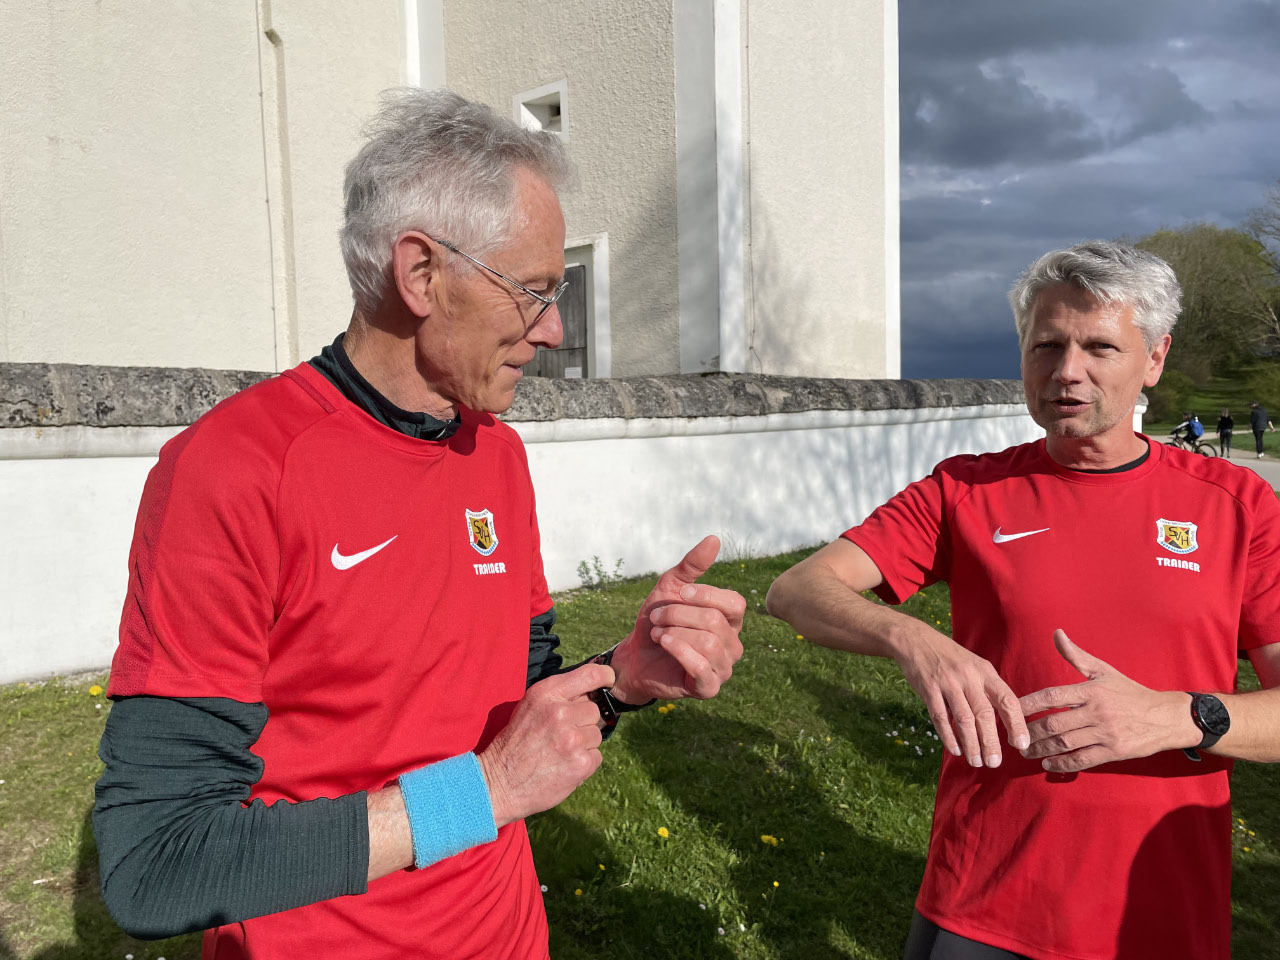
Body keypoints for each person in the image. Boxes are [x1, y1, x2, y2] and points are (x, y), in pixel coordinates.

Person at [92, 89, 746, 960]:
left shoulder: (496, 453)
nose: (555, 330)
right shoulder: (234, 471)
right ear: (422, 275)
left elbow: (517, 694)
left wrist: (623, 677)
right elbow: (156, 863)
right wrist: (485, 793)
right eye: (534, 293)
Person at [766, 240, 1280, 960]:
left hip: (1160, 909)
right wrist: (916, 641)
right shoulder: (966, 489)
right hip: (984, 900)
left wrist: (1178, 716)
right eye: (1047, 346)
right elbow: (797, 589)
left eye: (1100, 347)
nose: (1067, 370)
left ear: (1155, 359)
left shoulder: (1237, 505)